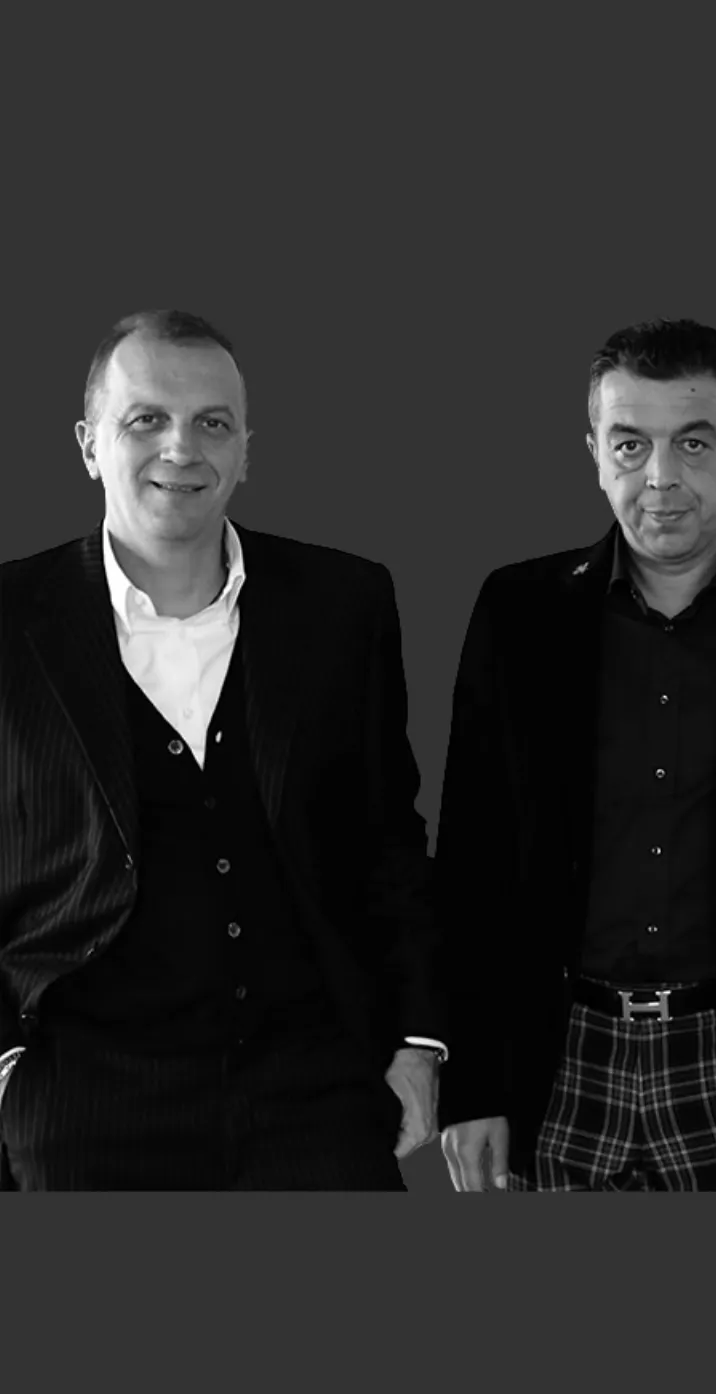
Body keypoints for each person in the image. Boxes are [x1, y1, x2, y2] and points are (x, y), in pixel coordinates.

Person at [434, 319, 716, 1191]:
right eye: (630, 444)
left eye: (693, 442)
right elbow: (471, 860)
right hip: (560, 1060)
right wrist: (473, 1081)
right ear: (594, 453)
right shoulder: (518, 612)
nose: (661, 477)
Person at [0, 310, 444, 1189]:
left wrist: (419, 1040)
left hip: (317, 1088)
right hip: (83, 1099)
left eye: (213, 423)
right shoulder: (10, 621)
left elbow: (389, 839)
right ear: (88, 445)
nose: (182, 447)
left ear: (246, 450)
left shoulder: (345, 603)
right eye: (147, 420)